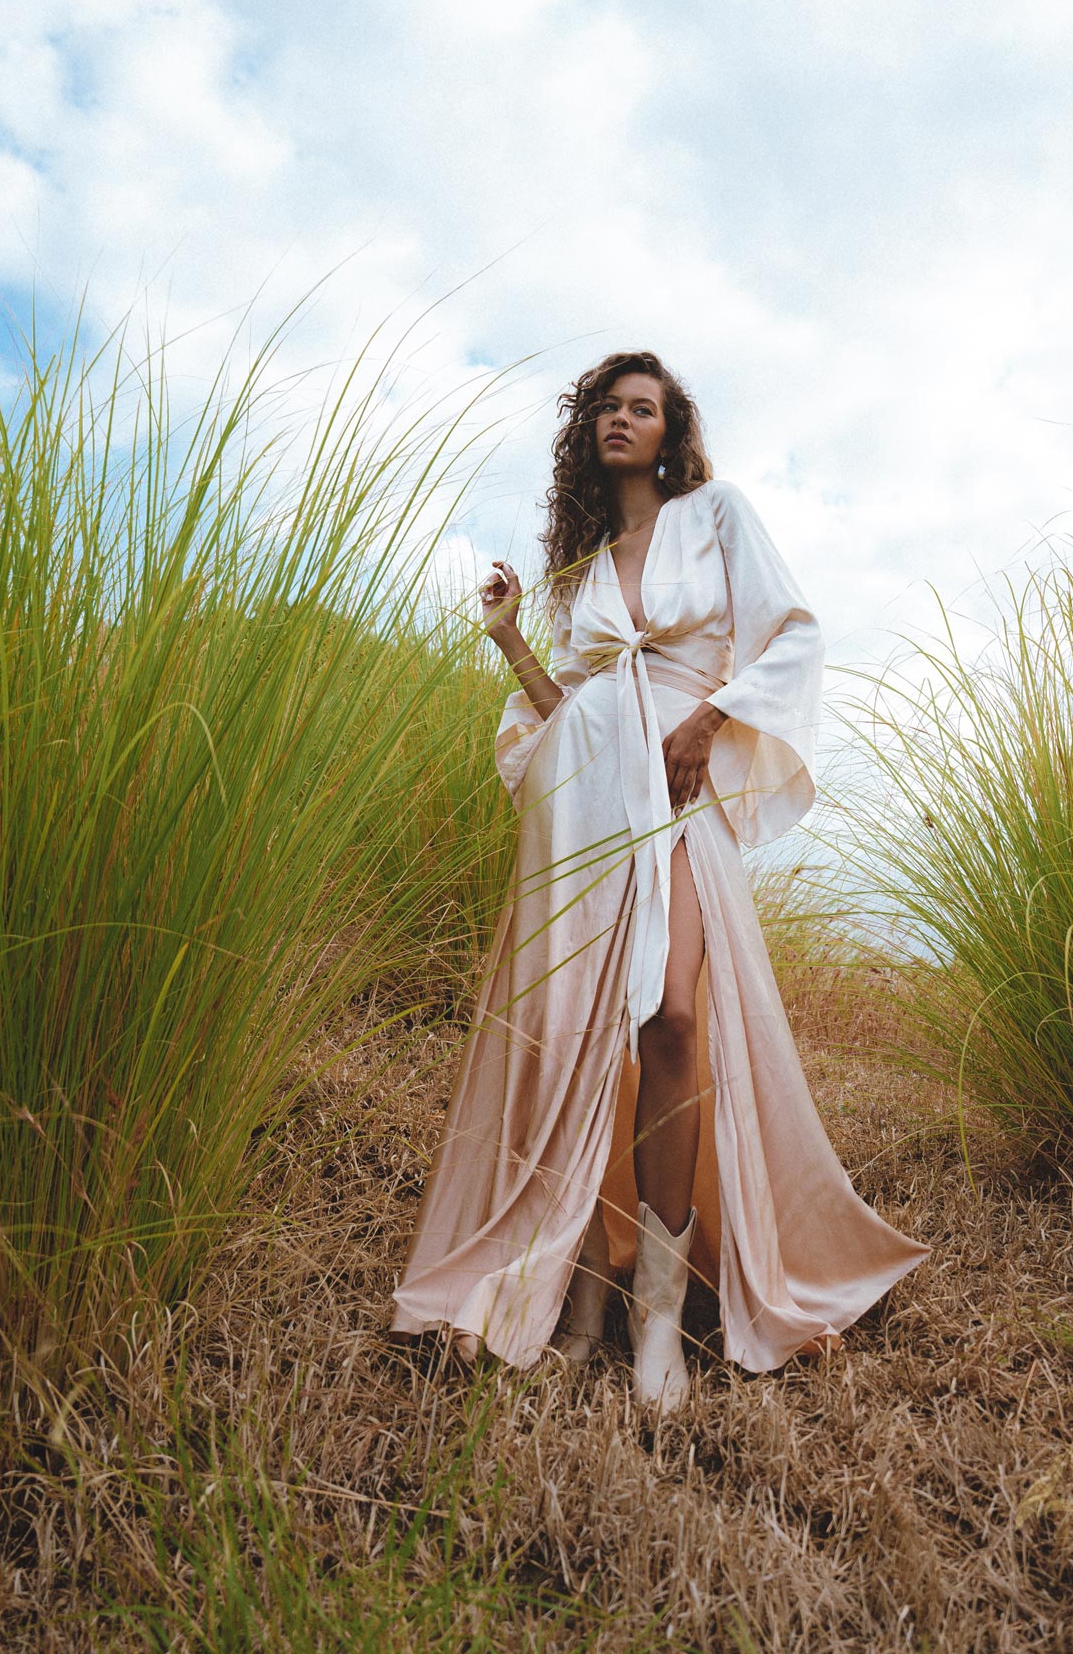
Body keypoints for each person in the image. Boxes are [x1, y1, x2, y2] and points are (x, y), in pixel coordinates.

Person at [389, 350, 930, 1413]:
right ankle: (585, 1291)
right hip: (586, 802)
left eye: (643, 407)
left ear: (673, 430)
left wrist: (713, 715)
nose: (621, 419)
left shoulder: (715, 514)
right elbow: (566, 707)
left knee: (672, 1019)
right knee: (578, 1032)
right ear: (587, 430)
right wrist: (507, 640)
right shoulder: (586, 569)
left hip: (677, 790)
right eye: (607, 405)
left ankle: (656, 1312)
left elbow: (792, 632)